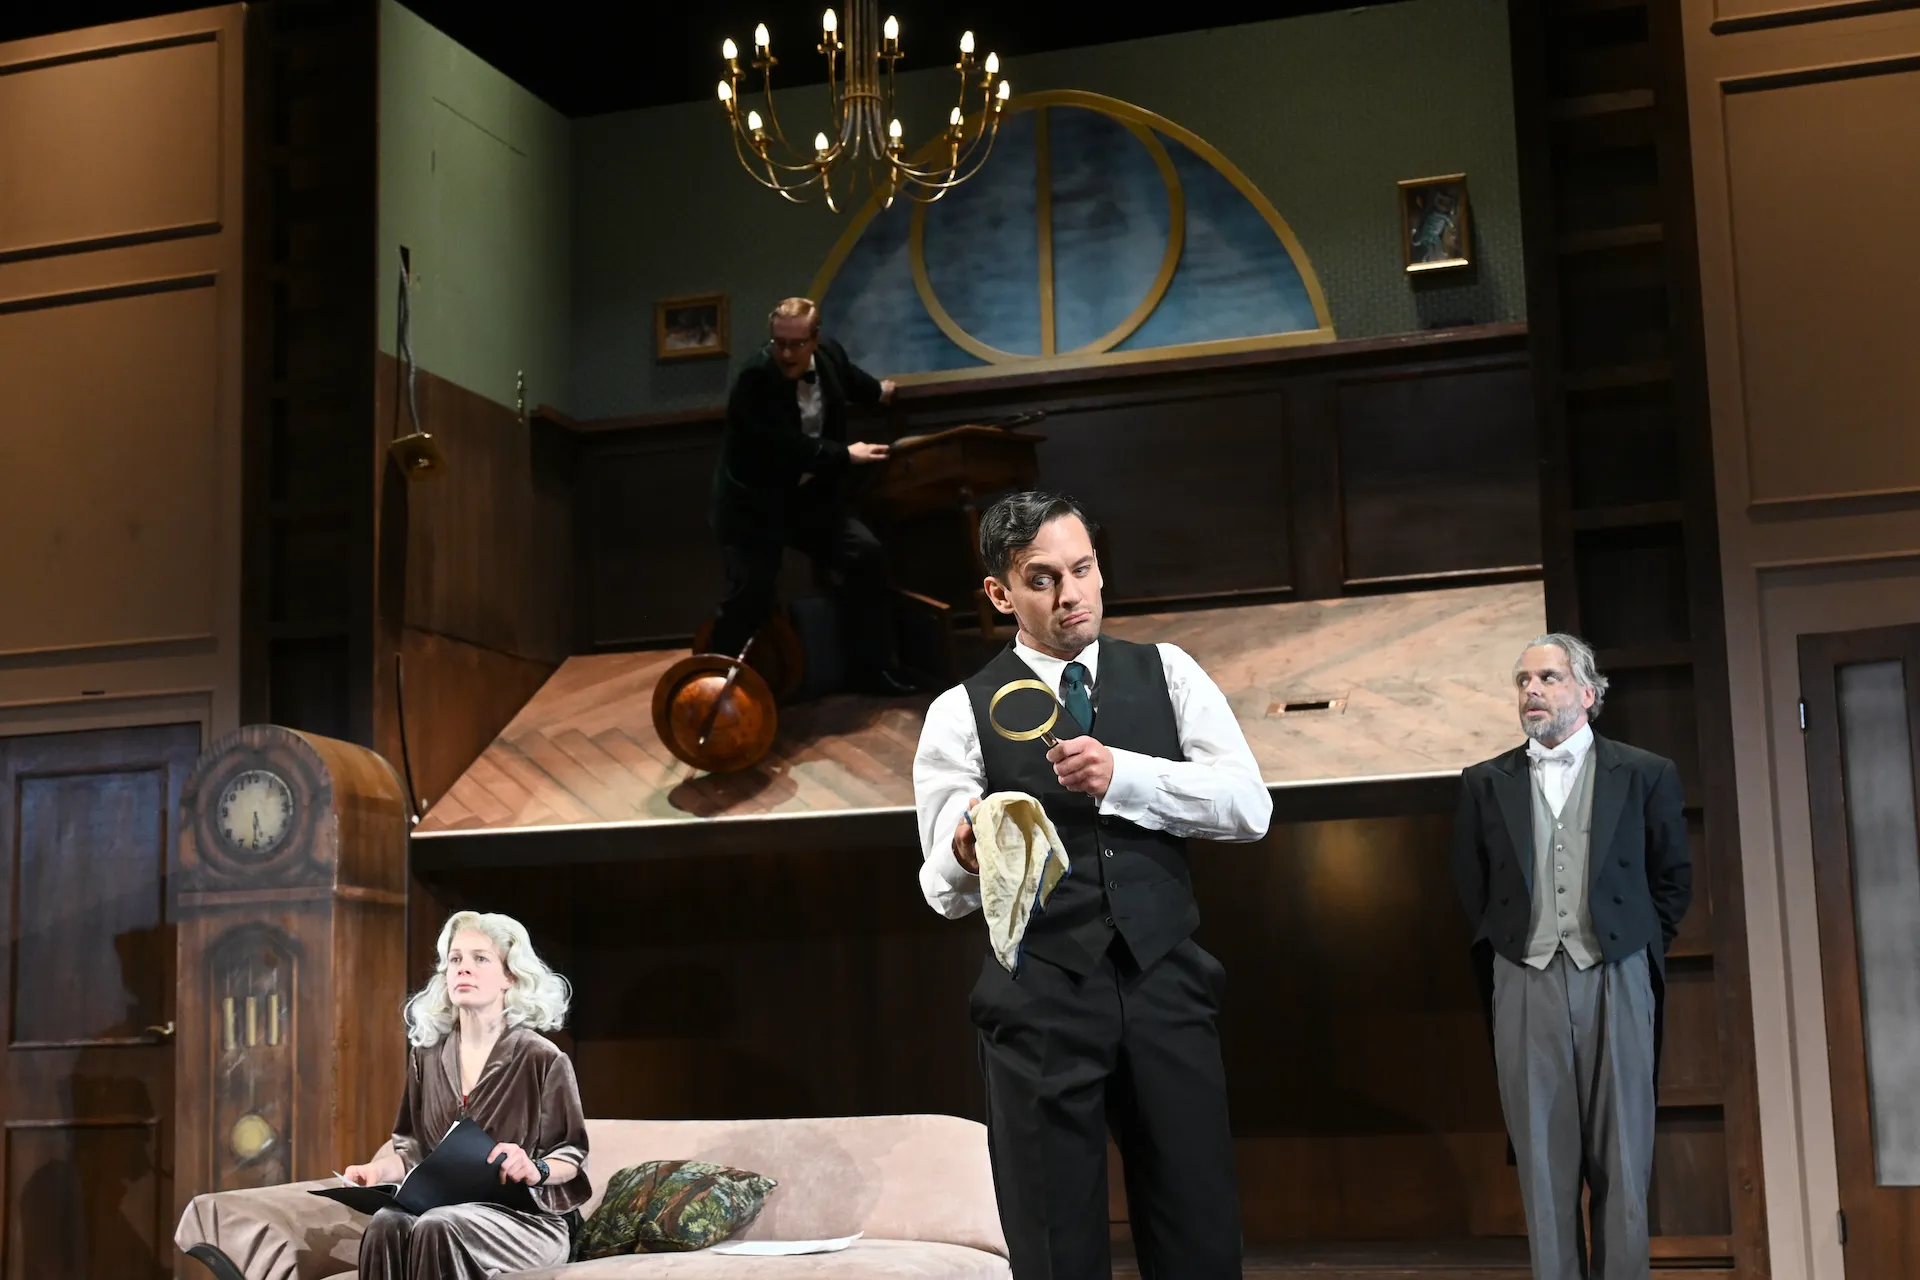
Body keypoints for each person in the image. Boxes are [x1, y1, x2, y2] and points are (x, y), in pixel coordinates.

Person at [912, 491, 1272, 1279]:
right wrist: (967, 854)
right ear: (1000, 594)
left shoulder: (1168, 671)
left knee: (1199, 1232)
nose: (1071, 594)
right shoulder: (959, 712)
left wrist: (1125, 777)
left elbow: (1250, 808)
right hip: (1040, 993)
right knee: (1055, 1245)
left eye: (1082, 569)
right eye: (1042, 579)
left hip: (1165, 980)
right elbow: (940, 887)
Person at [1451, 635, 1692, 1280]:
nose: (1532, 690)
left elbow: (1672, 880)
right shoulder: (1483, 782)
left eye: (1548, 678)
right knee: (1542, 1159)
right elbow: (1472, 885)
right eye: (1523, 680)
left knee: (1624, 1155)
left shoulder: (1644, 772)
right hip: (1523, 975)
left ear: (1587, 693)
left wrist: (1632, 951)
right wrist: (1512, 950)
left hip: (1617, 971)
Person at [341, 911, 590, 1280]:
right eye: (455, 959)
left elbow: (571, 1155)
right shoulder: (426, 1056)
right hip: (445, 1207)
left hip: (526, 1222)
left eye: (480, 959)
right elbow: (412, 1150)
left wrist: (534, 1169)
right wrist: (374, 1171)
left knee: (438, 1224)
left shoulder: (542, 1058)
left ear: (510, 976)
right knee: (386, 1222)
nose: (463, 968)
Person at [708, 296, 913, 695]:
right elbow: (780, 446)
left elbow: (851, 379)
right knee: (752, 592)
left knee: (865, 556)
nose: (787, 354)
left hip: (809, 500)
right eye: (779, 343)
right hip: (755, 503)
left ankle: (872, 671)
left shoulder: (829, 355)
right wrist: (845, 454)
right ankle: (711, 685)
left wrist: (879, 392)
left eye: (797, 344)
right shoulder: (755, 379)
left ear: (815, 340)